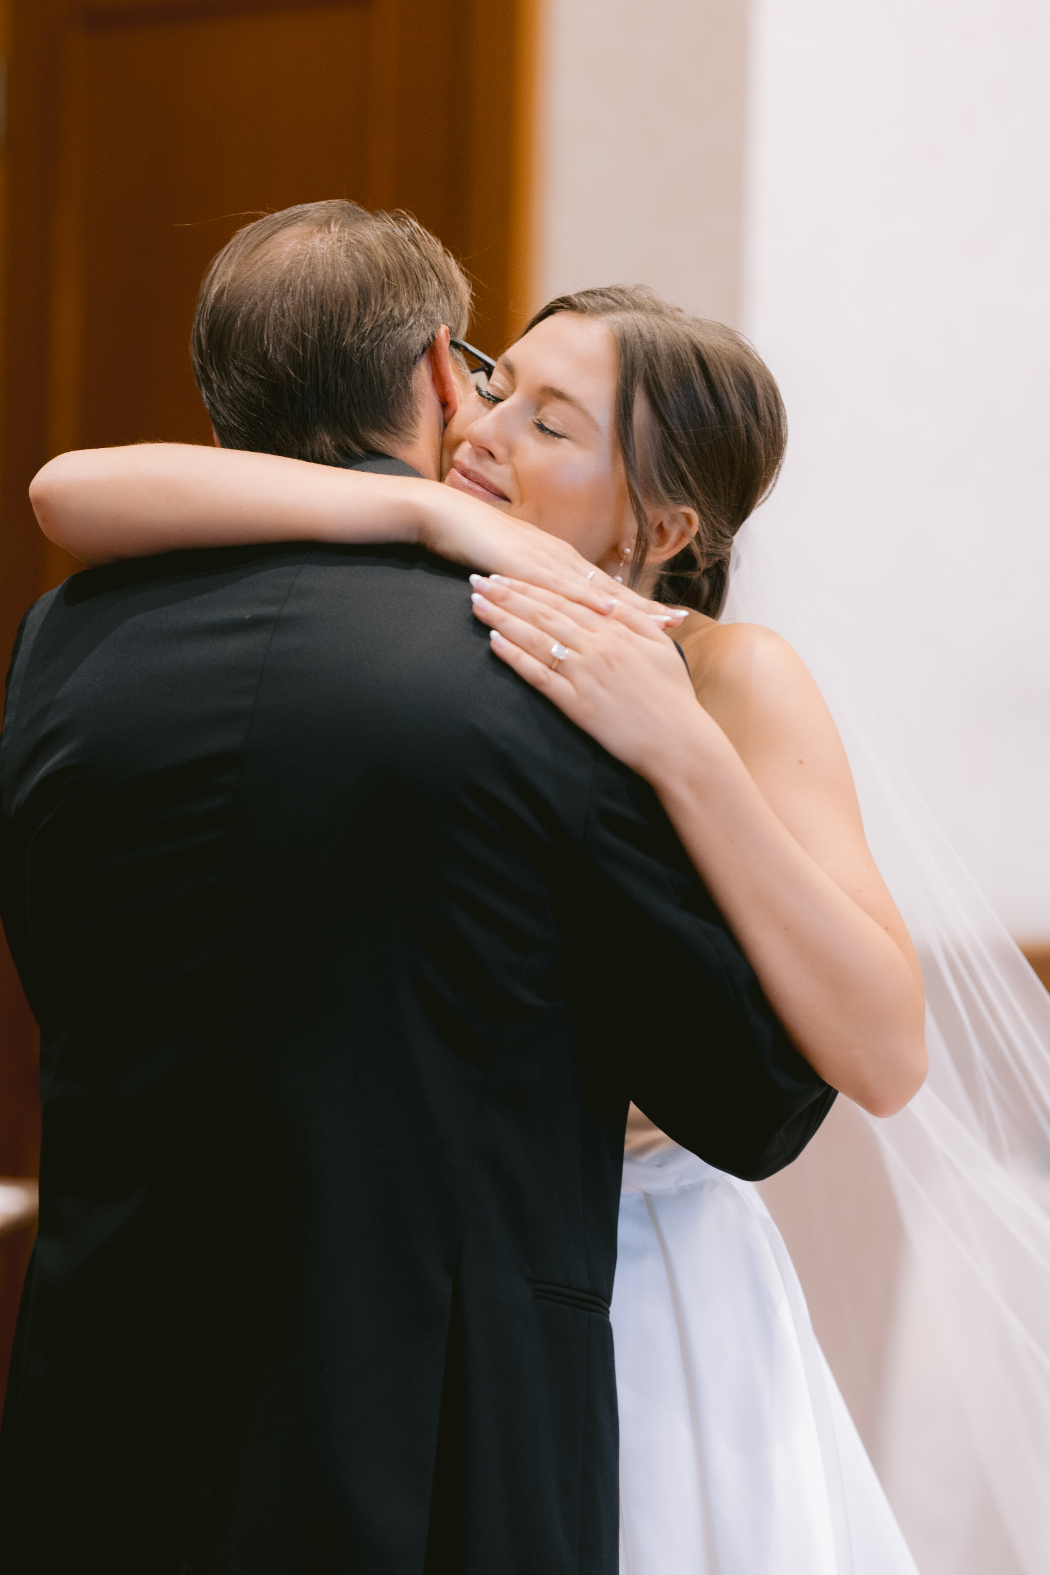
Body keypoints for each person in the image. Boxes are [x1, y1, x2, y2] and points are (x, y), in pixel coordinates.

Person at [27, 214, 934, 1570]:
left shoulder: (725, 675)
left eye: (550, 423)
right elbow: (74, 490)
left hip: (631, 1267)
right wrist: (418, 507)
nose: (485, 430)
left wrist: (677, 747)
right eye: (495, 382)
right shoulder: (451, 585)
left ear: (660, 522)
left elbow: (879, 1052)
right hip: (416, 1277)